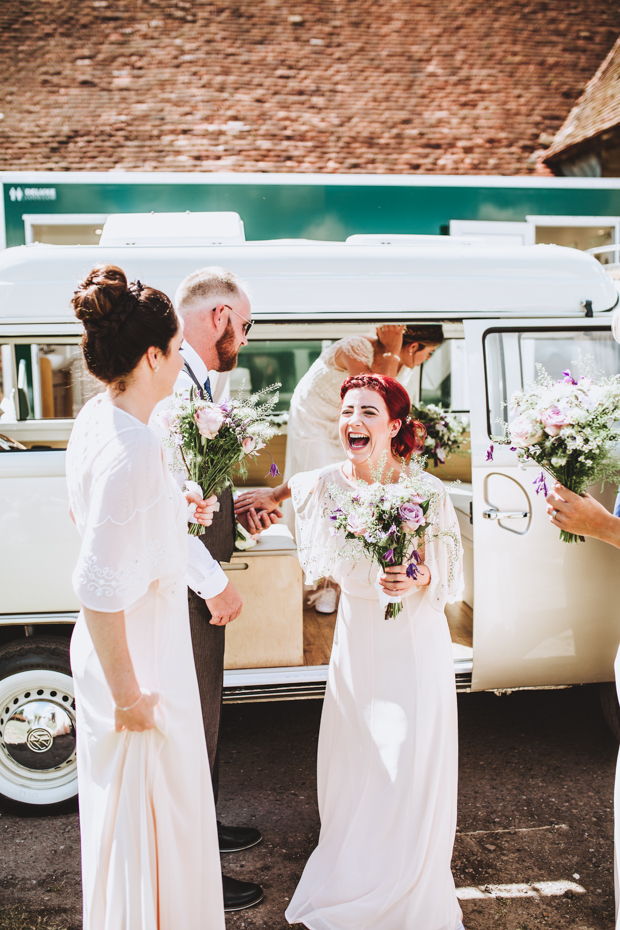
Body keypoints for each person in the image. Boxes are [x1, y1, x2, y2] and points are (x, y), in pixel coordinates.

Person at [245, 373, 465, 930]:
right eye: (347, 412)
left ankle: (406, 879)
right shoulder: (324, 482)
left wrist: (414, 576)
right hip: (356, 641)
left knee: (405, 758)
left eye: (368, 412)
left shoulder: (425, 491)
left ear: (394, 426)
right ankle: (354, 867)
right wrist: (267, 494)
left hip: (412, 644)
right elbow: (292, 482)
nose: (353, 422)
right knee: (356, 757)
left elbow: (443, 575)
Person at [66, 264, 225, 930]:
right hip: (137, 660)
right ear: (154, 356)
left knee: (144, 827)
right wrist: (132, 699)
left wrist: (172, 506)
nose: (186, 357)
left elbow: (107, 521)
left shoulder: (101, 417)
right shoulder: (131, 447)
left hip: (134, 648)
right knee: (155, 825)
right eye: (179, 348)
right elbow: (97, 586)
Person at [152, 265, 280, 912]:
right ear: (221, 319)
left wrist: (237, 503)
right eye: (247, 325)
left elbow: (201, 484)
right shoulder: (176, 387)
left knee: (209, 714)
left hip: (201, 579)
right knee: (193, 718)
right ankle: (198, 867)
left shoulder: (197, 381)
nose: (248, 340)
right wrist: (213, 580)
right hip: (189, 586)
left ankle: (208, 822)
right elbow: (172, 497)